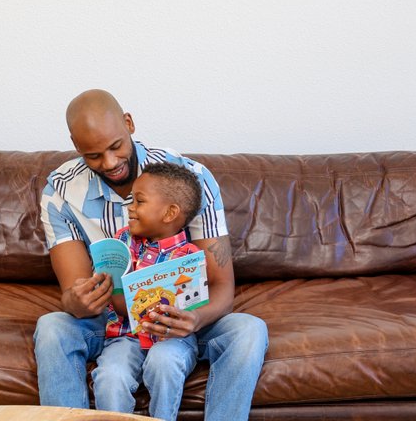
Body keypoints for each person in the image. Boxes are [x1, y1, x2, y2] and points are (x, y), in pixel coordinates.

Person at [34, 89, 268, 420]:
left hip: (183, 321)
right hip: (114, 324)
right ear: (76, 146)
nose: (110, 163)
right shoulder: (60, 192)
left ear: (129, 123)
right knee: (52, 327)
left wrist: (194, 320)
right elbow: (72, 294)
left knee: (249, 329)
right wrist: (77, 300)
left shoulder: (189, 178)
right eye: (94, 155)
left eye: (116, 147)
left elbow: (221, 285)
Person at [92, 161, 205, 421]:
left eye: (139, 202)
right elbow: (118, 304)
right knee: (110, 376)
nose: (130, 208)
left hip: (171, 339)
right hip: (125, 337)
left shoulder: (189, 257)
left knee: (164, 362)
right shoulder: (122, 242)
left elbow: (192, 309)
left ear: (169, 213)